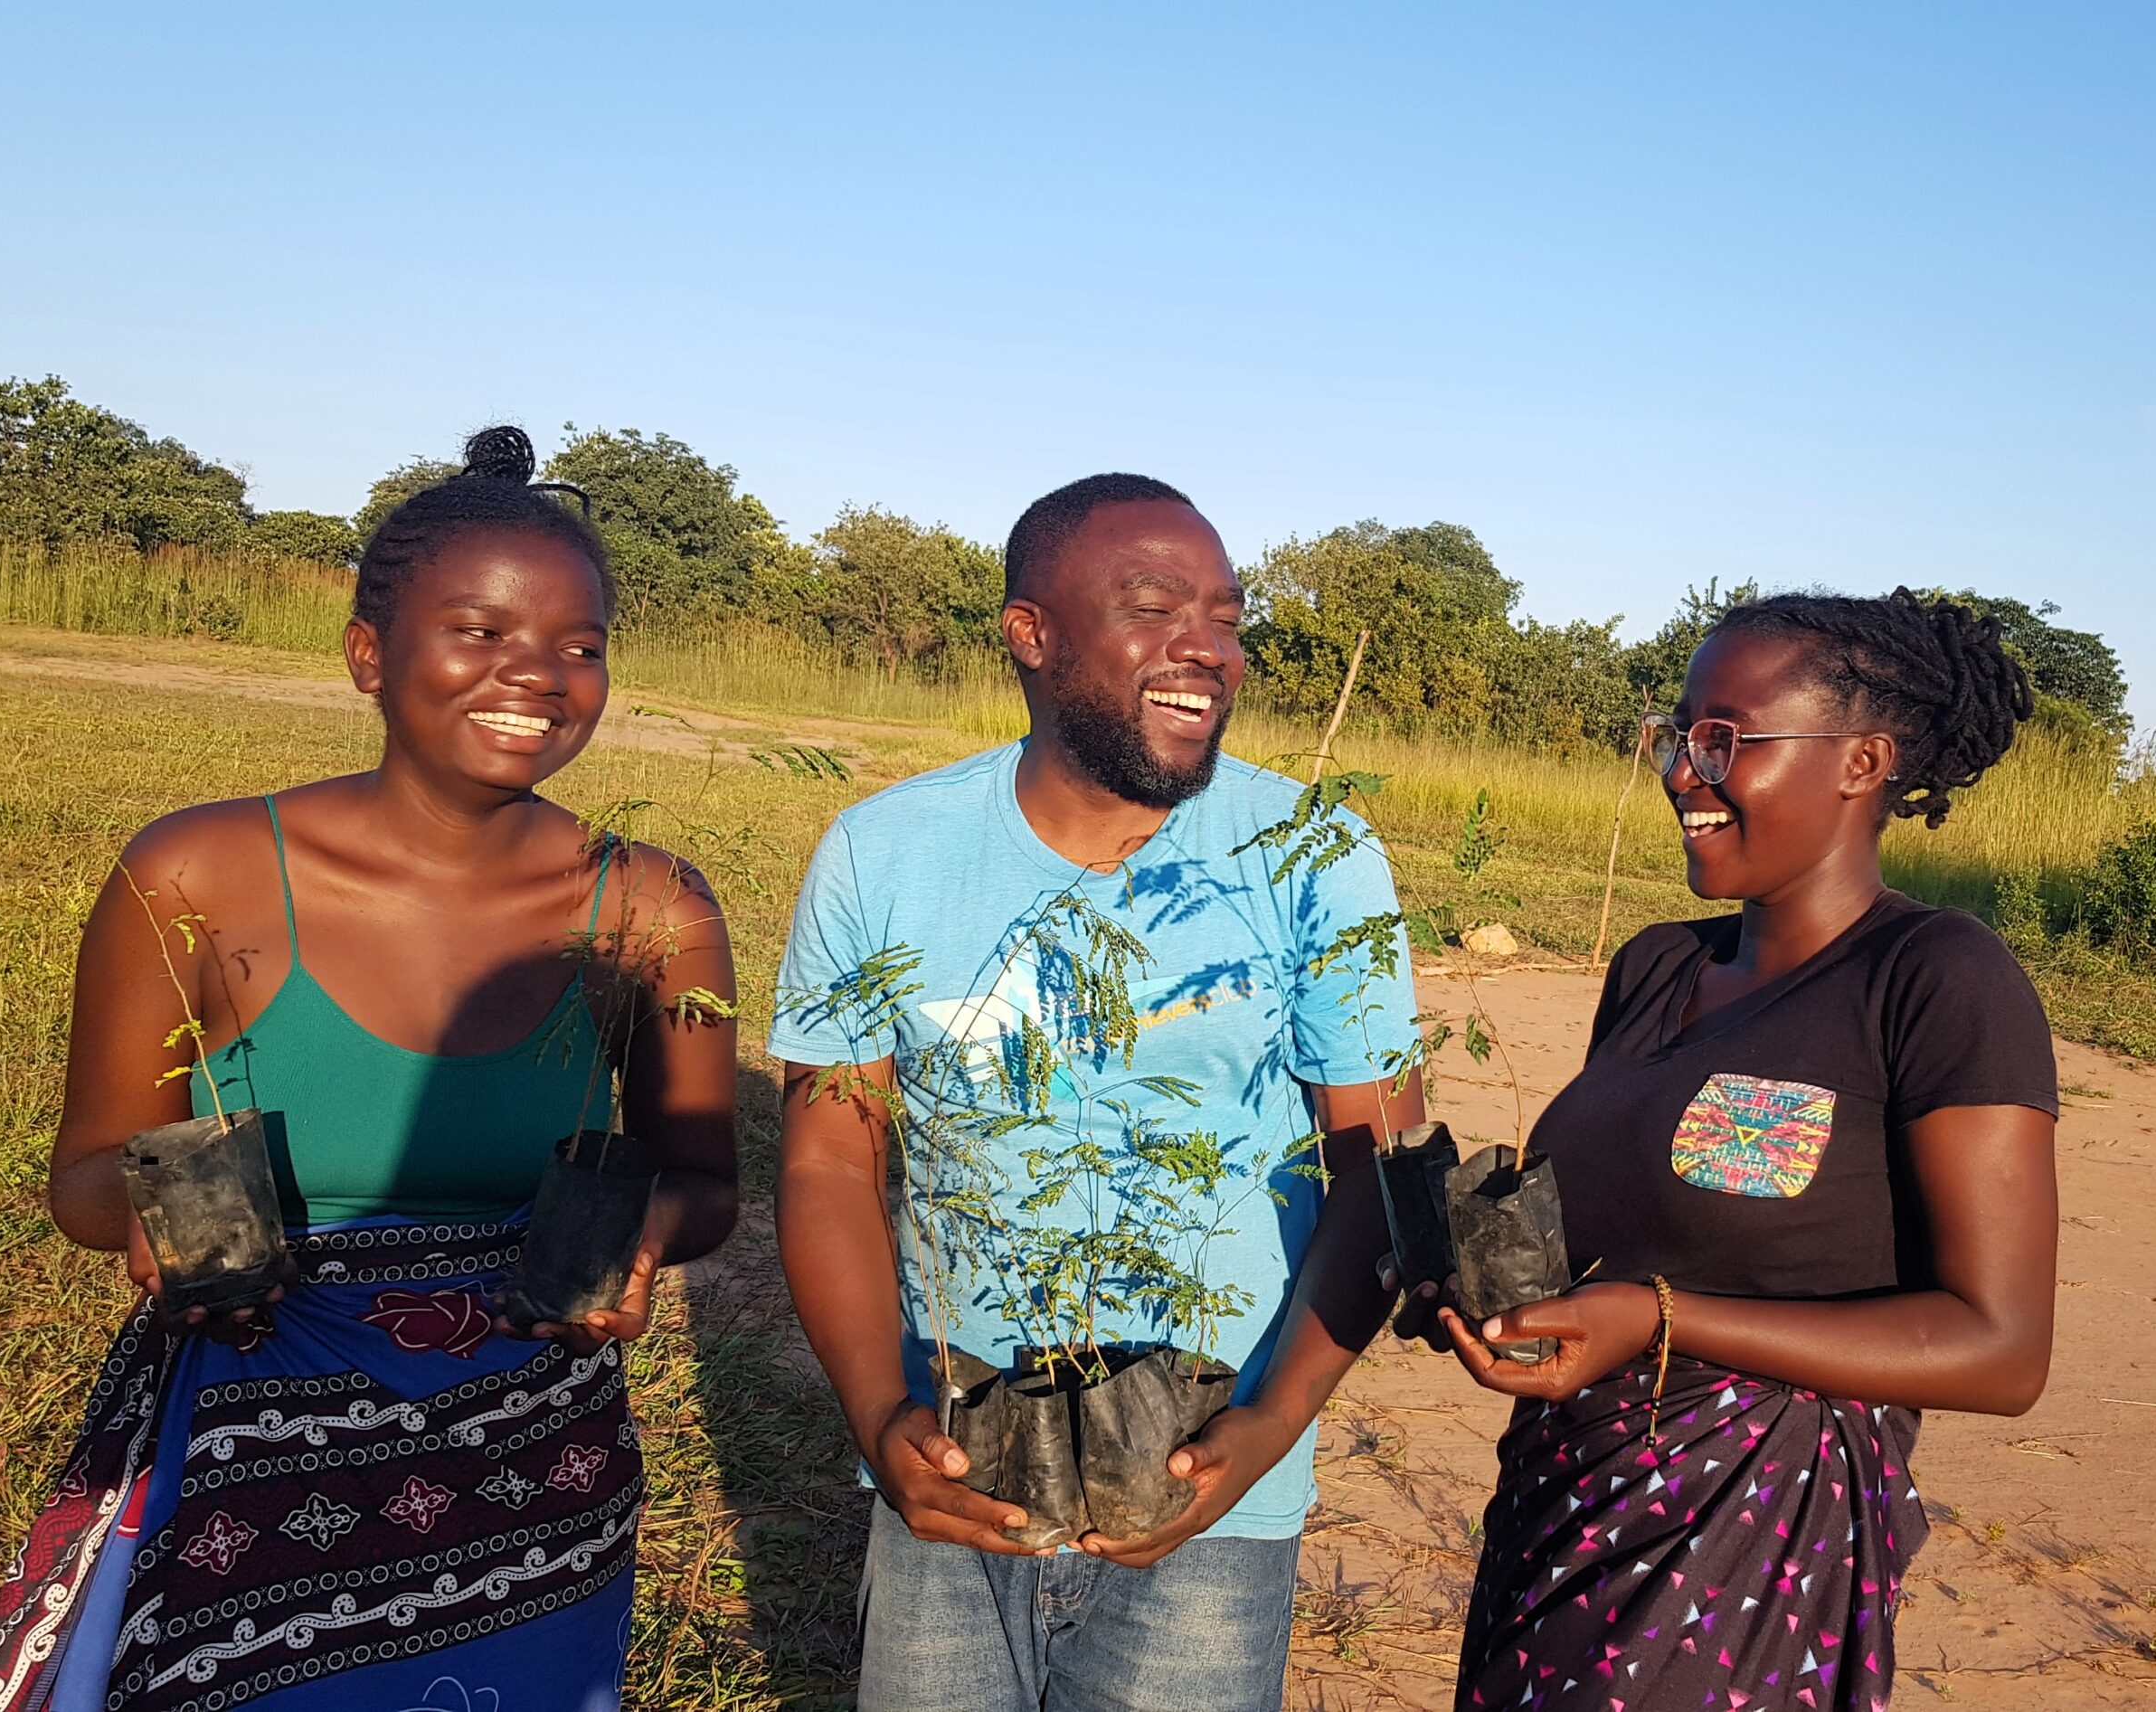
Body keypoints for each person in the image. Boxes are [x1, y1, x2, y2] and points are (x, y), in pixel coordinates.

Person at [0, 429, 739, 1711]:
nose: (536, 678)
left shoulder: (653, 907)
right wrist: (182, 1213)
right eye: (482, 633)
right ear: (369, 655)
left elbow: (704, 1180)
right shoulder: (197, 878)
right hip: (254, 1449)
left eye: (580, 646)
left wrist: (635, 1231)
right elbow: (89, 1177)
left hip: (529, 1467)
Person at [771, 475, 1426, 1712]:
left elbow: (1385, 1173)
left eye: (1227, 618)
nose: (1208, 648)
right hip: (959, 1459)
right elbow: (824, 1159)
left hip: (1205, 1478)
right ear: (1032, 634)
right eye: (1155, 606)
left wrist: (1269, 1427)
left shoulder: (1313, 854)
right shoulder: (885, 852)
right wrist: (877, 1415)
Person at [1414, 589, 2058, 1710]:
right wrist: (1469, 1284)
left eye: (1725, 741)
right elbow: (1614, 1240)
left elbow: (2000, 1352)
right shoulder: (1657, 967)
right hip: (1564, 1514)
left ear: (1862, 762)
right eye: (1678, 735)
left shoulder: (1935, 977)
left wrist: (1659, 1321)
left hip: (1748, 1548)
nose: (1680, 772)